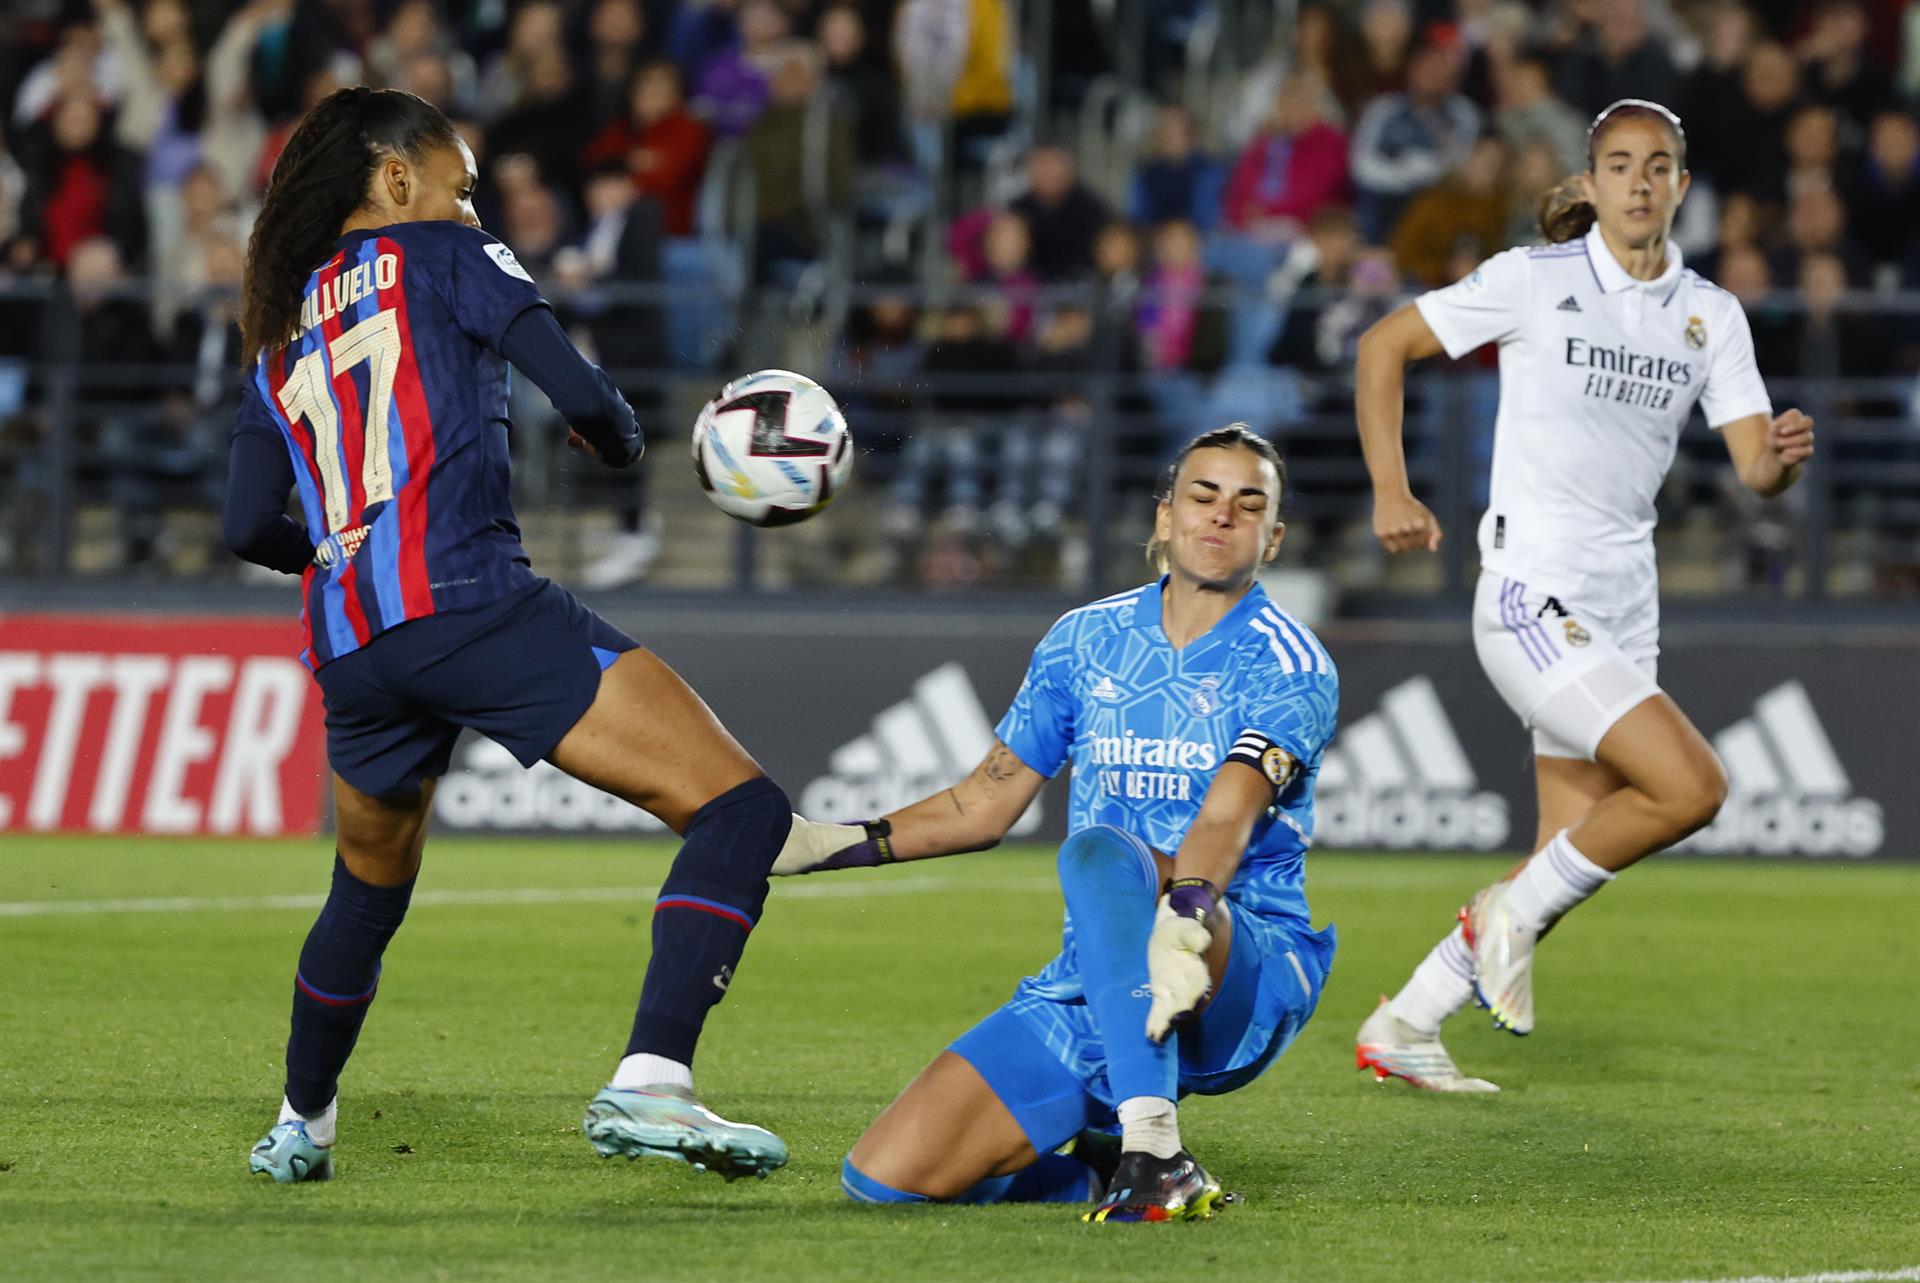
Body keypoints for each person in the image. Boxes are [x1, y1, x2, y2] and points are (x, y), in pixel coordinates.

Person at [224, 87, 794, 1183]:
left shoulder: (279, 323)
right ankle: (653, 1079)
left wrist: (344, 555)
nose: (470, 203)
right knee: (740, 807)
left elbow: (248, 521)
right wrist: (621, 438)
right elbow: (589, 402)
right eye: (461, 182)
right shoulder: (447, 252)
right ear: (397, 178)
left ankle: (302, 1120)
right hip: (471, 598)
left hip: (353, 646)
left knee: (364, 893)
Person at [1349, 100, 1815, 1091]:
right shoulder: (1533, 279)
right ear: (1594, 182)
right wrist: (1391, 485)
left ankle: (1406, 1020)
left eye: (1658, 167)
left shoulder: (1709, 315)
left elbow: (1752, 468)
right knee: (1692, 788)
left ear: (1681, 186)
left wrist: (1778, 462)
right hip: (1529, 589)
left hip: (1623, 604)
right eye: (1619, 165)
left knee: (1562, 858)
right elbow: (1383, 344)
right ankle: (1499, 915)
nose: (1640, 183)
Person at [775, 425, 1339, 1223]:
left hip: (1234, 958)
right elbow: (984, 802)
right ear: (1164, 517)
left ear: (1273, 538)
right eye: (1203, 497)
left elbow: (1228, 809)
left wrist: (1186, 914)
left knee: (1102, 852)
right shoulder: (1084, 641)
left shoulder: (1290, 663)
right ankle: (1103, 1172)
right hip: (1103, 975)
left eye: (1249, 506)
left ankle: (1156, 1151)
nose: (1222, 517)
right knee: (884, 1177)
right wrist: (824, 843)